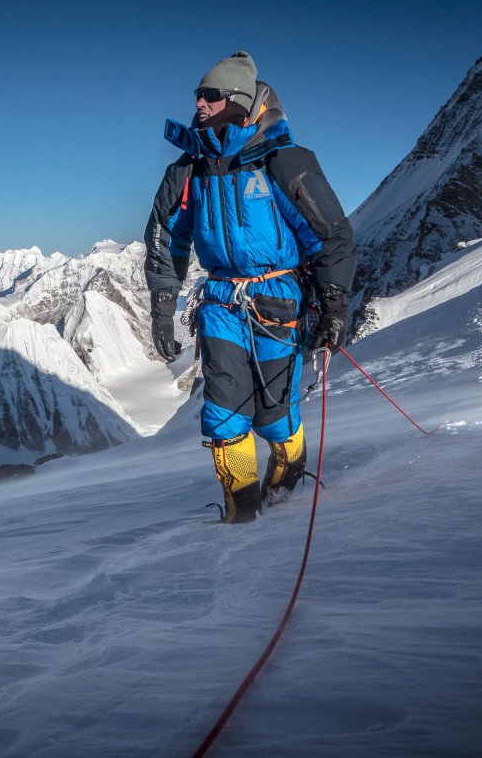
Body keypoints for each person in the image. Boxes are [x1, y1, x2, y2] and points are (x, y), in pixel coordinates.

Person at [144, 51, 356, 524]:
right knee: (224, 410)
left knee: (274, 414)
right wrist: (162, 304)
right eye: (197, 95)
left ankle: (286, 483)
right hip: (220, 301)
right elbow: (165, 236)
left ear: (237, 101)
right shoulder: (187, 169)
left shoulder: (282, 161)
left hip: (277, 298)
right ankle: (241, 512)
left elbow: (330, 235)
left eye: (209, 95)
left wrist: (333, 304)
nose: (198, 103)